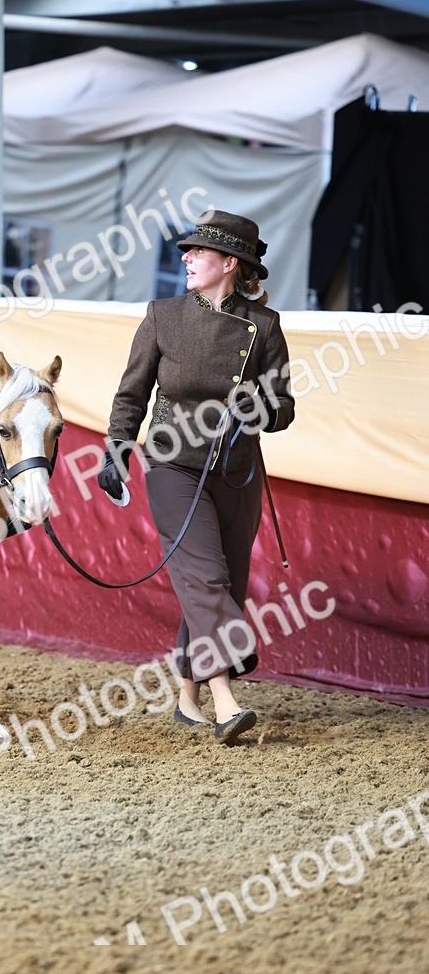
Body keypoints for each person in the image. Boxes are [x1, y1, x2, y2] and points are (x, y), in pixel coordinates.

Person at [98, 210, 295, 745]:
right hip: (172, 464)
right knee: (206, 578)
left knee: (216, 583)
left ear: (229, 263)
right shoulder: (163, 315)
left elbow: (285, 409)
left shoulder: (265, 327)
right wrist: (115, 450)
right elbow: (131, 393)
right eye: (186, 252)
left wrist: (260, 406)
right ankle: (227, 701)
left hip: (237, 472)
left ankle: (187, 696)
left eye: (197, 252)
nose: (184, 258)